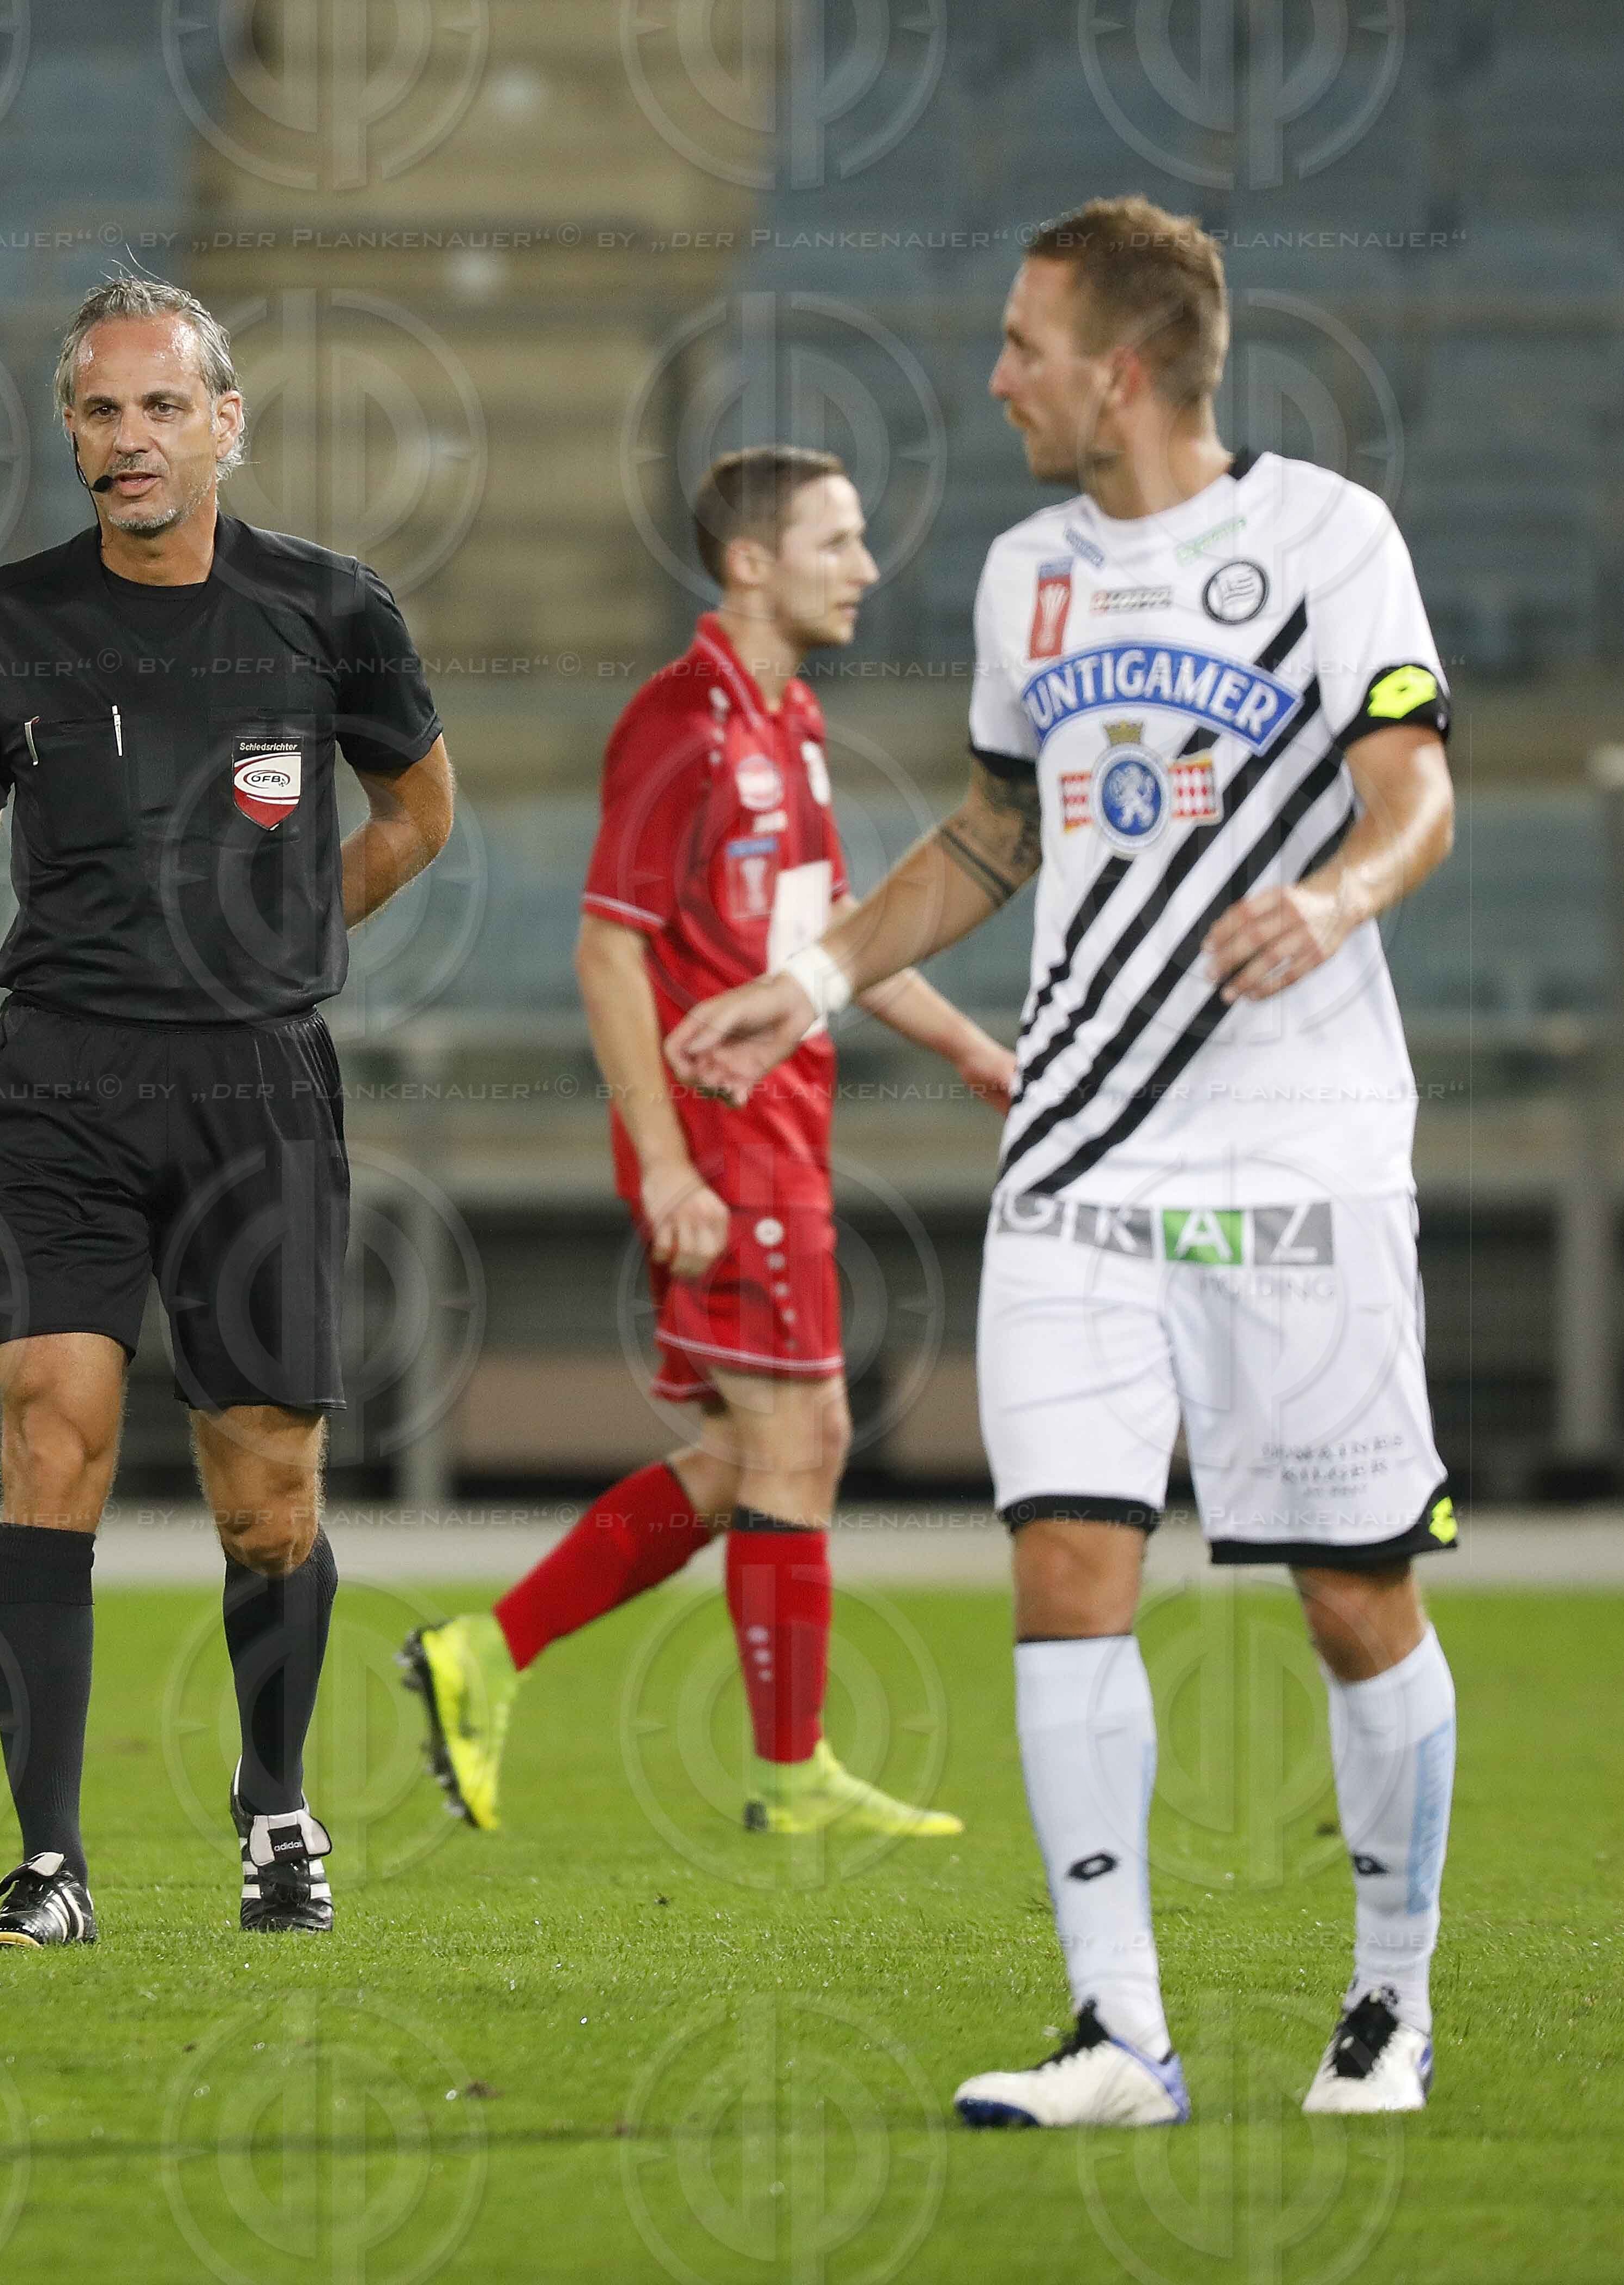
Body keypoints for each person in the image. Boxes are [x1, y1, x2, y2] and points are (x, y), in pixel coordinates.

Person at [671, 198, 1459, 2127]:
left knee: (1350, 1592)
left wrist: (1336, 899)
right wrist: (815, 972)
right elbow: (992, 835)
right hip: (1083, 1144)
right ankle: (1121, 2033)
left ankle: (1386, 1995)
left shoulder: (1325, 542)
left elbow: (1413, 789)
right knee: (1065, 1559)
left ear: (1118, 369)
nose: (997, 374)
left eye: (1024, 344)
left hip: (1296, 1150)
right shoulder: (1028, 575)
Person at [0, 271, 455, 1948]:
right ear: (67, 429)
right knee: (48, 1432)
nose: (128, 440)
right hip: (57, 1078)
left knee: (264, 1491)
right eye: (98, 412)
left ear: (224, 423)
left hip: (257, 1079)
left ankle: (275, 1802)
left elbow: (419, 808)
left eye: (159, 408)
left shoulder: (331, 611)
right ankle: (46, 1865)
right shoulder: (2, 623)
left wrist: (292, 930)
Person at [401, 447, 1013, 1840]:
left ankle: (482, 1653)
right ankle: (787, 1771)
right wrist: (667, 1161)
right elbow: (606, 950)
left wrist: (971, 1045)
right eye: (838, 539)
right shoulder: (684, 724)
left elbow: (832, 944)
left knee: (751, 1453)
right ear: (751, 562)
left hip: (777, 1129)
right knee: (801, 1431)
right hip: (728, 1143)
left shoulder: (781, 720)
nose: (865, 566)